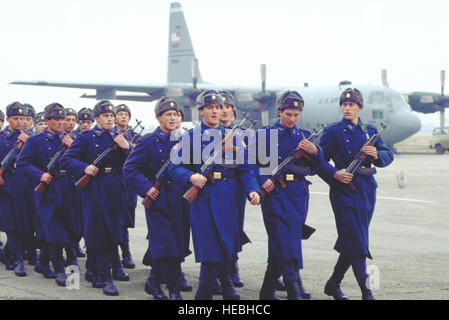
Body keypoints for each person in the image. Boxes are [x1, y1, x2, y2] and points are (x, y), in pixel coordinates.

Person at [169, 89, 260, 300]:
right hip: (204, 198)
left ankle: (226, 285)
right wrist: (191, 178)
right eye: (209, 108)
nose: (214, 111)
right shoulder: (191, 137)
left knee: (227, 244)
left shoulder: (233, 137)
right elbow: (174, 168)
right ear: (200, 111)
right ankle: (205, 291)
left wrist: (252, 190)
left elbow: (245, 168)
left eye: (218, 107)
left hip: (229, 197)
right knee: (211, 247)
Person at [317, 88, 394, 300]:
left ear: (360, 107)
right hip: (343, 191)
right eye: (344, 104)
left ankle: (333, 284)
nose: (347, 108)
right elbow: (317, 160)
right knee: (358, 242)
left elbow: (389, 154)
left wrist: (377, 153)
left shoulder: (369, 131)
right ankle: (366, 292)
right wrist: (334, 173)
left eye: (351, 105)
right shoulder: (333, 131)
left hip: (367, 191)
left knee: (353, 240)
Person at [249, 90, 323, 300]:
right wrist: (263, 179)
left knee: (283, 242)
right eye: (288, 114)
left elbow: (318, 166)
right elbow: (250, 162)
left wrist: (316, 152)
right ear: (279, 112)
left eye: (296, 115)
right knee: (285, 240)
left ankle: (267, 291)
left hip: (298, 196)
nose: (292, 119)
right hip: (274, 196)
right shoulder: (265, 135)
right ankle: (293, 287)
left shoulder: (304, 136)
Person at [123, 97, 192, 300]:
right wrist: (145, 188)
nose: (173, 118)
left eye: (176, 114)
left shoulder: (186, 141)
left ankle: (153, 282)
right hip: (158, 198)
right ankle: (173, 290)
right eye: (168, 114)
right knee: (167, 244)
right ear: (158, 117)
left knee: (178, 243)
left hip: (181, 199)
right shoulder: (148, 141)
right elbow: (130, 168)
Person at [60, 100, 131, 296]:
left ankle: (96, 270)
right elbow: (66, 159)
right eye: (105, 116)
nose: (110, 118)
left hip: (115, 188)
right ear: (97, 118)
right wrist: (84, 167)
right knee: (98, 231)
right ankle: (104, 275)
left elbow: (134, 163)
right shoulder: (86, 137)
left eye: (111, 116)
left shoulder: (120, 138)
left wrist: (127, 148)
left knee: (114, 230)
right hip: (95, 187)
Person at [17, 103, 78, 286]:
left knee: (69, 228)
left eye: (62, 119)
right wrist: (39, 175)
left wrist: (72, 147)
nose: (60, 122)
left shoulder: (69, 139)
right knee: (55, 230)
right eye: (56, 119)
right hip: (48, 189)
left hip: (67, 187)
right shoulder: (35, 141)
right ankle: (61, 270)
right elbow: (23, 164)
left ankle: (43, 263)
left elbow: (80, 160)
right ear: (47, 120)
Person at [218, 90, 247, 288]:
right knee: (218, 230)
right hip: (217, 187)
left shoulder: (243, 134)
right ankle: (219, 272)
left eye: (228, 107)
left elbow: (256, 163)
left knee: (236, 227)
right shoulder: (207, 134)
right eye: (221, 107)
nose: (225, 111)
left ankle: (233, 266)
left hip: (237, 188)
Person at [0, 102, 33, 276]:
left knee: (23, 222)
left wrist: (27, 144)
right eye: (16, 118)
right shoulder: (1, 137)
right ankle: (18, 258)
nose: (20, 121)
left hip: (25, 184)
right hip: (6, 184)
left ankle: (9, 254)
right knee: (10, 223)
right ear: (8, 119)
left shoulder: (30, 138)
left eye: (22, 118)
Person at [114, 103, 139, 270]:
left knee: (126, 217)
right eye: (120, 114)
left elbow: (140, 154)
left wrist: (128, 146)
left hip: (128, 183)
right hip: (112, 181)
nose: (123, 117)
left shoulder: (135, 136)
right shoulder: (109, 135)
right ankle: (116, 255)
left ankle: (126, 253)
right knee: (113, 218)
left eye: (126, 114)